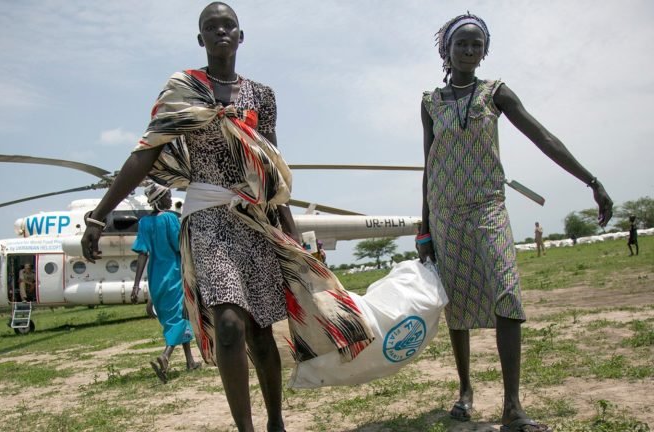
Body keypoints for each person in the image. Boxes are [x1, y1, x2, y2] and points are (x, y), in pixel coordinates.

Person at [80, 3, 373, 430]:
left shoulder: (261, 96)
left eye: (228, 26)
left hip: (256, 221)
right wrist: (98, 215)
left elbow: (270, 167)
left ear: (240, 36)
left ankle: (275, 421)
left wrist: (292, 234)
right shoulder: (183, 88)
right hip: (208, 221)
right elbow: (144, 154)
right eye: (210, 27)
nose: (220, 32)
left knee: (259, 331)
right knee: (231, 326)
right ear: (201, 38)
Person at [418, 13, 613, 432]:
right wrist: (424, 227)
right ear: (446, 51)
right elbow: (428, 166)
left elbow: (542, 136)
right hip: (446, 214)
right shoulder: (430, 102)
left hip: (488, 207)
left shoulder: (496, 94)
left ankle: (512, 407)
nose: (470, 51)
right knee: (457, 304)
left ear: (484, 50)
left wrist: (590, 180)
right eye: (462, 45)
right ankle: (466, 390)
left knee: (507, 293)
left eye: (477, 45)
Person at [131, 182, 201, 383]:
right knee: (180, 316)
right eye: (167, 196)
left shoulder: (144, 223)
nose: (170, 200)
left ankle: (190, 361)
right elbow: (180, 246)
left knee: (176, 316)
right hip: (174, 273)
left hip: (156, 277)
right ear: (159, 199)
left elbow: (142, 254)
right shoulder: (170, 219)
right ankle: (166, 355)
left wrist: (136, 285)